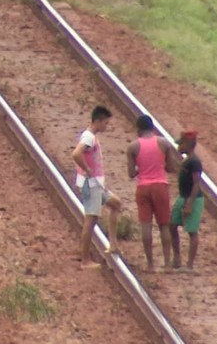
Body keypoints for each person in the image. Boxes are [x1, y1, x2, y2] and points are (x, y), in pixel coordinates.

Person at [72, 106, 122, 269]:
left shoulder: (90, 136)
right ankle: (85, 260)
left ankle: (113, 244)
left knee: (116, 203)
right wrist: (87, 169)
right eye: (106, 123)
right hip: (91, 185)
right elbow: (76, 154)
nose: (106, 126)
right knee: (90, 220)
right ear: (98, 121)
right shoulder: (89, 138)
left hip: (96, 185)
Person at [126, 114, 178, 272]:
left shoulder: (133, 147)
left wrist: (140, 168)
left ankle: (150, 265)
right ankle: (167, 264)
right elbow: (171, 168)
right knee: (163, 225)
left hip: (143, 187)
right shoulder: (163, 143)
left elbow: (131, 173)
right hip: (160, 186)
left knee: (146, 225)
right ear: (152, 128)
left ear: (139, 129)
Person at [170, 131, 204, 271]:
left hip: (192, 199)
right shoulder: (187, 160)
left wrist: (189, 203)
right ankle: (177, 258)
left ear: (188, 144)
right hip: (183, 196)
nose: (178, 146)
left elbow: (196, 183)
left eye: (181, 143)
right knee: (172, 225)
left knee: (192, 231)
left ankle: (189, 265)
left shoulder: (195, 162)